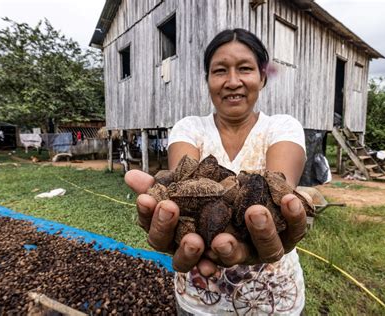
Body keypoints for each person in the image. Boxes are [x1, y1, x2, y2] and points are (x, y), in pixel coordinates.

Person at [125, 28, 308, 315]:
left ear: (262, 77)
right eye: (220, 70)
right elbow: (185, 189)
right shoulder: (189, 128)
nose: (233, 81)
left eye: (245, 69)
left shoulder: (283, 127)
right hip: (198, 298)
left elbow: (277, 196)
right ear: (208, 80)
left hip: (273, 298)